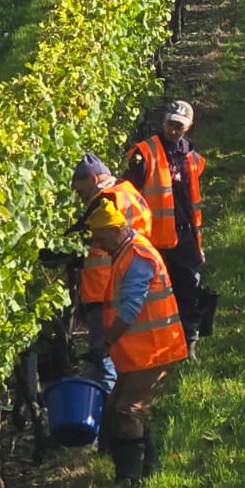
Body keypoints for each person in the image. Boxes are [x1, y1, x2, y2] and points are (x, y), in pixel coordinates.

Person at [83, 192, 188, 488]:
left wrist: (106, 342)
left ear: (116, 231)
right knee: (123, 407)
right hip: (140, 352)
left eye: (101, 239)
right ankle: (147, 469)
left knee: (128, 410)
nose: (98, 246)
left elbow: (131, 307)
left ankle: (131, 480)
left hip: (154, 350)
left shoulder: (138, 257)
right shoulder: (126, 253)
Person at [125, 101, 207, 358]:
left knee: (188, 291)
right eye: (171, 124)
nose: (174, 130)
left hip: (185, 235)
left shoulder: (192, 157)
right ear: (164, 122)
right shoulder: (145, 153)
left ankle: (189, 342)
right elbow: (129, 193)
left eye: (179, 126)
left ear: (189, 127)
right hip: (154, 239)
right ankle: (159, 346)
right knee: (155, 296)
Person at [72, 153, 152, 391]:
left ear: (94, 178)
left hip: (105, 288)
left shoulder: (105, 200)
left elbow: (101, 240)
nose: (82, 198)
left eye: (82, 192)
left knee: (105, 359)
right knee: (115, 357)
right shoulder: (130, 192)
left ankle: (106, 417)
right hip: (123, 282)